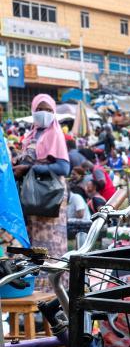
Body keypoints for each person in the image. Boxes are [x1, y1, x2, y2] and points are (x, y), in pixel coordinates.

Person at [13, 94, 70, 258]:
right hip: (33, 192)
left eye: (48, 110)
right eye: (39, 109)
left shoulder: (55, 134)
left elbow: (64, 168)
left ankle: (51, 273)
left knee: (49, 239)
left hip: (49, 193)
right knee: (34, 236)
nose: (44, 113)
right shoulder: (32, 134)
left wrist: (29, 168)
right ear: (33, 110)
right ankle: (35, 272)